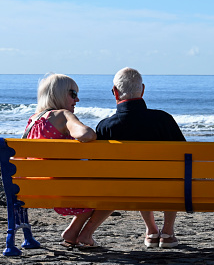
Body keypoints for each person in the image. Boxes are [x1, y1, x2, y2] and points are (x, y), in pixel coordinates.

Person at [95, 67, 186, 248]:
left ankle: (152, 230)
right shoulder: (164, 120)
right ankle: (167, 232)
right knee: (173, 175)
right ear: (142, 90)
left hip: (127, 190)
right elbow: (184, 157)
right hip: (166, 188)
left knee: (136, 179)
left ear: (115, 92)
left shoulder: (105, 127)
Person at [24, 73, 109, 249]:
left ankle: (72, 232)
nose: (77, 99)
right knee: (112, 188)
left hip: (34, 189)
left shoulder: (33, 120)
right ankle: (85, 234)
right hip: (64, 192)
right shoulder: (63, 115)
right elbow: (86, 134)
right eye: (73, 94)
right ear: (59, 94)